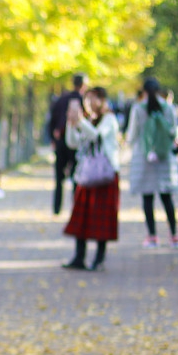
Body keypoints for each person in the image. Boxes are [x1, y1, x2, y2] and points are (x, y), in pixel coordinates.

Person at [62, 86, 120, 271]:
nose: (89, 103)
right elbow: (73, 142)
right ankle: (79, 256)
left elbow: (96, 136)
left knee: (101, 217)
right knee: (82, 217)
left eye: (93, 99)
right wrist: (71, 124)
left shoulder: (109, 119)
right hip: (86, 175)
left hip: (104, 175)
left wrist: (80, 122)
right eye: (86, 100)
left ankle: (99, 258)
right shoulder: (87, 120)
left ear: (102, 100)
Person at [125, 77, 178, 248]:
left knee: (147, 198)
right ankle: (174, 236)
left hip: (144, 158)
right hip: (164, 158)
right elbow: (174, 130)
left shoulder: (138, 109)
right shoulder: (168, 107)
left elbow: (132, 134)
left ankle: (152, 236)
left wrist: (128, 145)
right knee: (167, 199)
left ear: (143, 91)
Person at [48, 74, 85, 215]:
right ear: (83, 85)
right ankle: (76, 207)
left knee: (59, 177)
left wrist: (53, 137)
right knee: (77, 176)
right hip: (76, 143)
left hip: (60, 141)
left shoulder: (61, 99)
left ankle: (57, 208)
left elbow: (52, 120)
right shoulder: (83, 100)